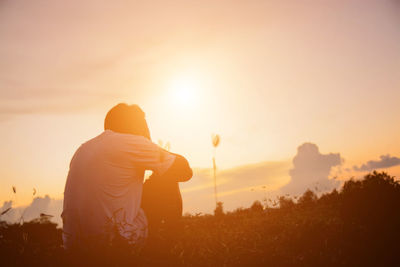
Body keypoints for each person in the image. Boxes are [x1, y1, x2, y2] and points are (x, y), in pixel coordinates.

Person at [62, 103, 192, 251]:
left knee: (159, 173)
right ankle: (169, 250)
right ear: (135, 125)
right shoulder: (131, 141)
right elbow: (185, 171)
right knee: (167, 178)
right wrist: (150, 144)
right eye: (144, 125)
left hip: (74, 247)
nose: (147, 130)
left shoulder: (83, 148)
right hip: (116, 244)